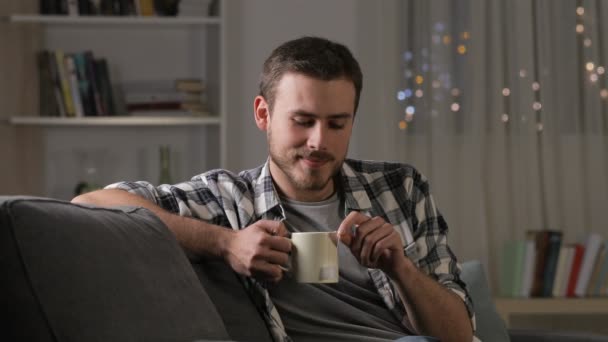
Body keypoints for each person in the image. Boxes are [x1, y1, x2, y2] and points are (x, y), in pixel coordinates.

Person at [73, 36, 476, 342]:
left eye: (337, 124)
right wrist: (226, 243)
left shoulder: (401, 188)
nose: (320, 141)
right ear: (263, 114)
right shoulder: (228, 198)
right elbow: (91, 203)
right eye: (303, 121)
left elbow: (458, 334)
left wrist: (400, 268)